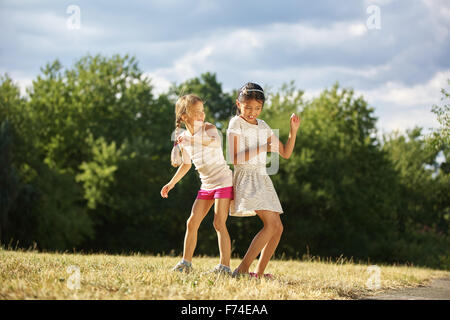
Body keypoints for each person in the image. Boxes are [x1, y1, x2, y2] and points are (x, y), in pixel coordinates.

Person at [227, 82, 301, 278]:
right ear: (238, 104)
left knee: (278, 227)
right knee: (271, 225)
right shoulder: (236, 123)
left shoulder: (264, 126)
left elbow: (285, 153)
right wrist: (262, 147)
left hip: (262, 177)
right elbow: (234, 157)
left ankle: (258, 274)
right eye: (248, 107)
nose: (253, 112)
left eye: (258, 108)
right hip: (247, 176)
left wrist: (293, 131)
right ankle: (241, 270)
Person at [161, 94, 234, 274]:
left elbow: (214, 143)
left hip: (223, 181)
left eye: (202, 111)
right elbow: (186, 164)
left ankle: (224, 267)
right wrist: (170, 184)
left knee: (219, 223)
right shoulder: (184, 137)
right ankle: (186, 263)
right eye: (196, 112)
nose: (202, 115)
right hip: (206, 185)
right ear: (184, 116)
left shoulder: (209, 128)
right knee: (191, 222)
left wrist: (190, 140)